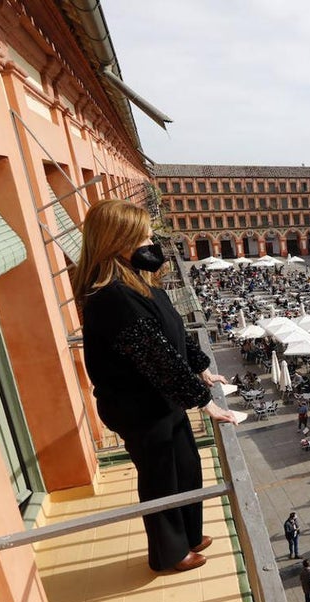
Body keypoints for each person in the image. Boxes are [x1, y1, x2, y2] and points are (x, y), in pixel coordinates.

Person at [75, 199, 237, 572]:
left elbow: (172, 331)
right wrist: (205, 402)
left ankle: (189, 534)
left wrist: (201, 369)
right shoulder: (112, 296)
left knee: (186, 465)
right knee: (161, 475)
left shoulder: (138, 283)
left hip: (162, 400)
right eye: (144, 236)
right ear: (118, 241)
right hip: (138, 407)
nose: (152, 241)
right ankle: (168, 553)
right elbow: (155, 356)